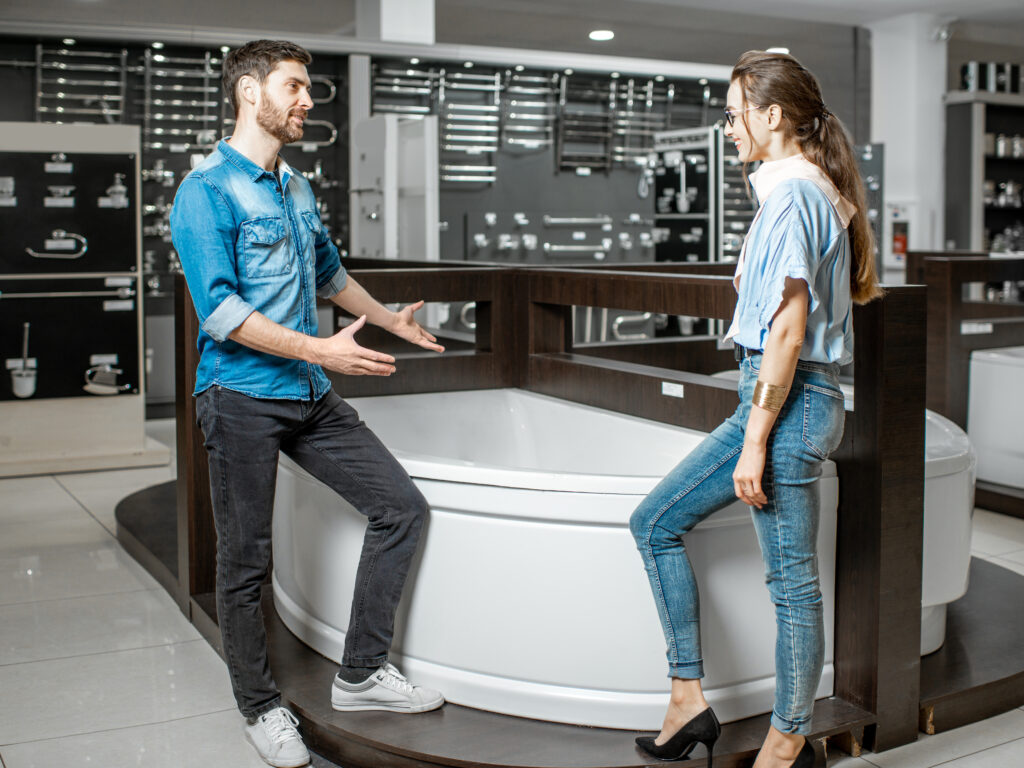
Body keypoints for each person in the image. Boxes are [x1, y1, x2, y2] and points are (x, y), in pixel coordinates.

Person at [169, 39, 446, 768]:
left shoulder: (295, 188)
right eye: (294, 87)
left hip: (309, 394)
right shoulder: (205, 192)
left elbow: (328, 274)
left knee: (401, 507)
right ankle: (260, 708)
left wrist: (390, 320)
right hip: (240, 399)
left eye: (308, 89)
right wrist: (323, 350)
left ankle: (360, 673)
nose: (308, 101)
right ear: (248, 92)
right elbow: (220, 312)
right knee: (245, 563)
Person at [629, 50, 882, 768]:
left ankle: (786, 742)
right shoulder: (810, 190)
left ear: (772, 117)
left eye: (735, 112)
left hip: (789, 404)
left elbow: (790, 331)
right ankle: (689, 701)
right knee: (656, 522)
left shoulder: (794, 196)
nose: (728, 126)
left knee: (791, 584)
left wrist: (754, 441)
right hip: (794, 401)